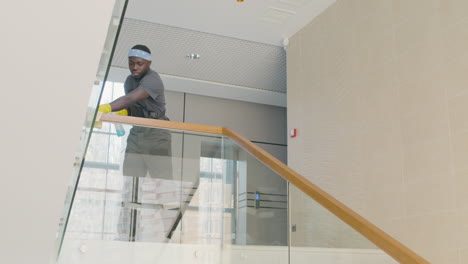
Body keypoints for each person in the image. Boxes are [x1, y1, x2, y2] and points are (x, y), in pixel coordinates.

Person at [98, 45, 175, 242]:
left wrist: (105, 107)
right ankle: (127, 236)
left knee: (164, 190)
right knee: (130, 188)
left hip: (157, 136)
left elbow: (132, 98)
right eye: (131, 63)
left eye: (139, 63)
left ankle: (172, 237)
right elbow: (132, 107)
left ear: (149, 63)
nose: (135, 67)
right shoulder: (129, 81)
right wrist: (121, 113)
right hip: (137, 136)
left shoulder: (153, 80)